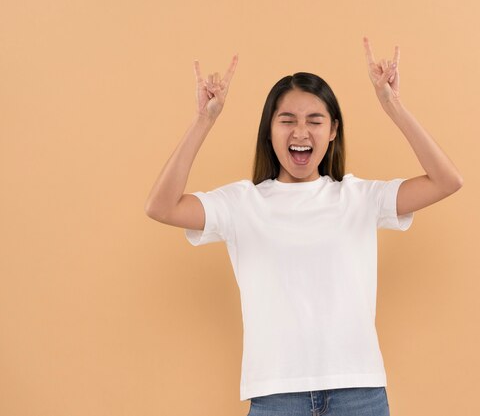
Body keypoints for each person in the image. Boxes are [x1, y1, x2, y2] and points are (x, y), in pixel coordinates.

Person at [145, 37, 463, 416]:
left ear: (332, 131)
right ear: (269, 131)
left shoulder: (358, 197)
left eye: (315, 121)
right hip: (277, 397)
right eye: (287, 121)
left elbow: (447, 181)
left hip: (358, 394)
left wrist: (392, 105)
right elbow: (161, 207)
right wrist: (203, 120)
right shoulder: (242, 203)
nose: (301, 132)